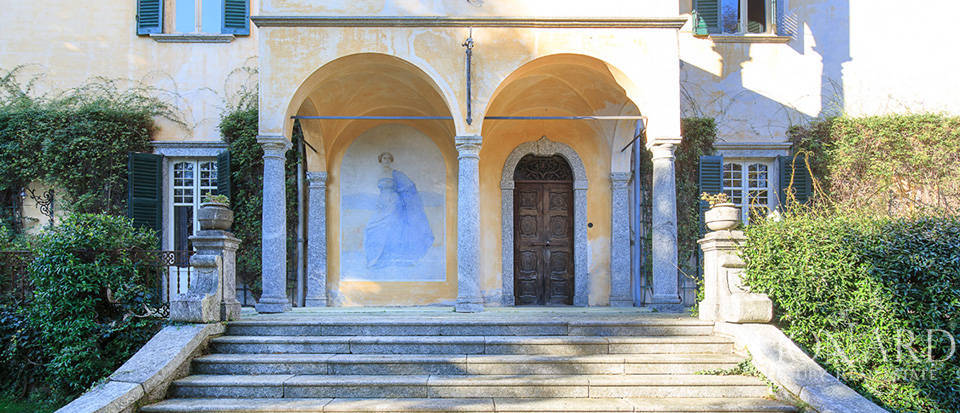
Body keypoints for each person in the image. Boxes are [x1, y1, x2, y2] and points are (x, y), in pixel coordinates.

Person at [363, 152, 434, 269]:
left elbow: (409, 186)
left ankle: (392, 258)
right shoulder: (380, 174)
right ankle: (375, 259)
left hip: (393, 203)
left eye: (388, 158)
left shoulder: (395, 174)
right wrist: (379, 202)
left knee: (392, 228)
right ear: (380, 160)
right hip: (382, 203)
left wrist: (400, 194)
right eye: (384, 158)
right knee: (371, 228)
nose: (386, 160)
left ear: (391, 160)